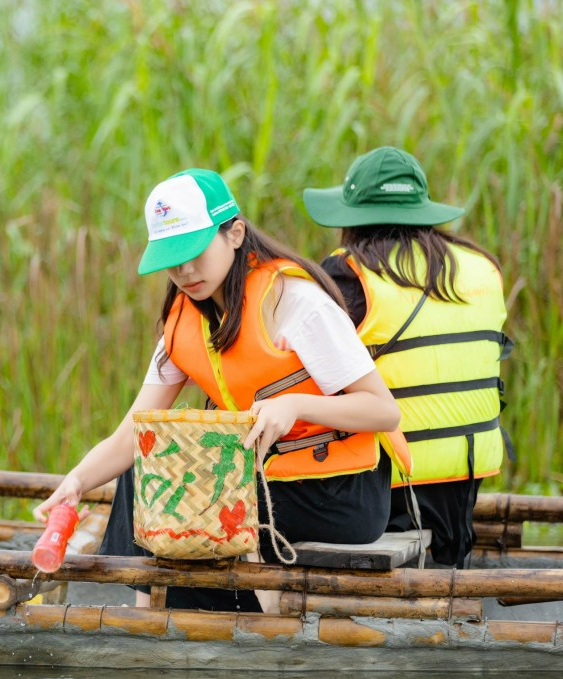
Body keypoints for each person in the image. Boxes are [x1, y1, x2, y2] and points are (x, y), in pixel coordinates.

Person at [33, 168, 407, 612]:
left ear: (234, 233)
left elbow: (384, 412)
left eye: (194, 252)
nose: (185, 271)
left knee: (192, 512)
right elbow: (130, 436)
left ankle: (226, 631)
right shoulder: (182, 321)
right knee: (145, 467)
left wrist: (294, 404)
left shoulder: (295, 303)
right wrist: (75, 483)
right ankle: (146, 612)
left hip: (339, 489)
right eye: (172, 259)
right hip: (263, 480)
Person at [303, 146, 510, 568]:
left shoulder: (350, 272)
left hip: (385, 482)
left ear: (352, 217)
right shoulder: (481, 267)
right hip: (464, 476)